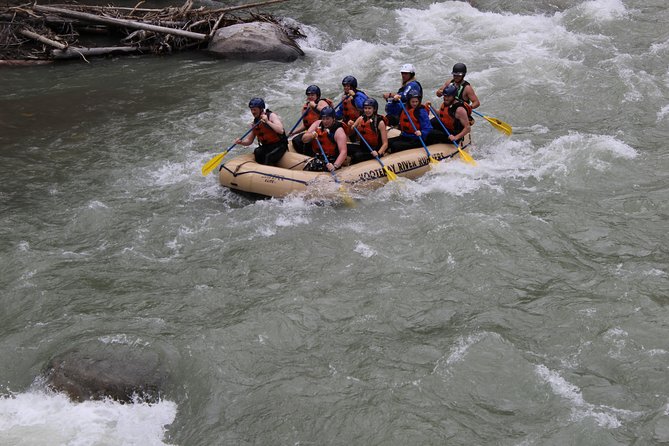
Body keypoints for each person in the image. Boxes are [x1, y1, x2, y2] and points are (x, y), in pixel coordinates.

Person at [235, 97, 287, 165]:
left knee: (268, 157)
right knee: (257, 152)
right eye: (251, 110)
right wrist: (241, 142)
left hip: (279, 145)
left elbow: (281, 130)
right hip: (267, 146)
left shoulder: (271, 116)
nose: (253, 112)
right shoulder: (254, 123)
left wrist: (267, 122)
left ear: (261, 109)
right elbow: (249, 141)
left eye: (254, 109)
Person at [300, 106, 348, 172]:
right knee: (297, 141)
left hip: (331, 160)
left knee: (316, 165)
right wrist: (312, 135)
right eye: (323, 118)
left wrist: (335, 166)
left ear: (333, 119)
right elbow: (304, 139)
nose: (325, 121)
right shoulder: (317, 123)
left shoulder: (339, 131)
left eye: (327, 119)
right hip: (318, 156)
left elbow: (343, 152)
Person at [289, 85, 333, 155]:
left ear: (317, 95)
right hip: (312, 131)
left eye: (312, 95)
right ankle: (310, 156)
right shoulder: (305, 108)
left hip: (324, 129)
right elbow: (305, 125)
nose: (310, 97)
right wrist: (293, 132)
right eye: (308, 95)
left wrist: (315, 106)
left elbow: (327, 112)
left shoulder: (321, 102)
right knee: (296, 140)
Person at [348, 98, 389, 164]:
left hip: (374, 150)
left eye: (369, 108)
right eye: (365, 108)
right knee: (347, 147)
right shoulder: (361, 118)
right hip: (363, 146)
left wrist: (378, 153)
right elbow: (351, 131)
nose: (367, 110)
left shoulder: (380, 122)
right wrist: (350, 125)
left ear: (374, 109)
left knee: (357, 156)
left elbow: (385, 144)